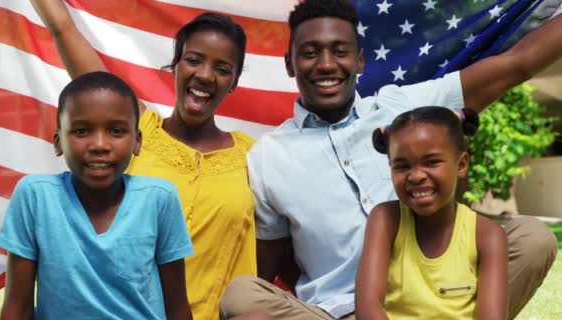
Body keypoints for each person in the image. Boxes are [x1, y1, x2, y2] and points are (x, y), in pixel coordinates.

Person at [219, 0, 560, 319]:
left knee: (533, 237)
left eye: (340, 52)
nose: (326, 64)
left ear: (360, 61)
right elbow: (275, 263)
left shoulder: (401, 108)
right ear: (290, 64)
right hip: (339, 311)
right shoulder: (267, 156)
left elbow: (517, 63)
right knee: (243, 295)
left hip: (439, 298)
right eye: (310, 53)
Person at [29, 1, 257, 319]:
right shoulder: (134, 133)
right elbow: (63, 29)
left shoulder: (253, 157)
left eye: (222, 69)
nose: (205, 75)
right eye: (194, 60)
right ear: (175, 65)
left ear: (233, 81)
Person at [0, 71, 193, 319]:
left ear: (137, 142)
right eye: (81, 131)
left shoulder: (159, 199)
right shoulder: (35, 197)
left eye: (117, 131)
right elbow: (17, 307)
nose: (99, 144)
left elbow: (177, 307)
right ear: (58, 142)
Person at [355, 107, 507, 319]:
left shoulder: (488, 235)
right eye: (401, 166)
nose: (416, 176)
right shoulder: (385, 220)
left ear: (461, 165)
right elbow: (369, 308)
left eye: (431, 162)